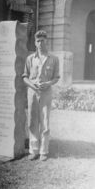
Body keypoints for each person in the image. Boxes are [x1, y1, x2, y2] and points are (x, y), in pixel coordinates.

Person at [22, 30, 60, 161]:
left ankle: (44, 151)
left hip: (46, 92)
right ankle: (34, 150)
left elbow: (56, 77)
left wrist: (48, 83)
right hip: (32, 92)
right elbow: (25, 77)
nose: (40, 43)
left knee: (45, 121)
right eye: (38, 41)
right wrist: (32, 85)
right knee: (32, 121)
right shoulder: (30, 59)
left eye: (43, 40)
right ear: (35, 43)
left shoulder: (54, 59)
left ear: (46, 41)